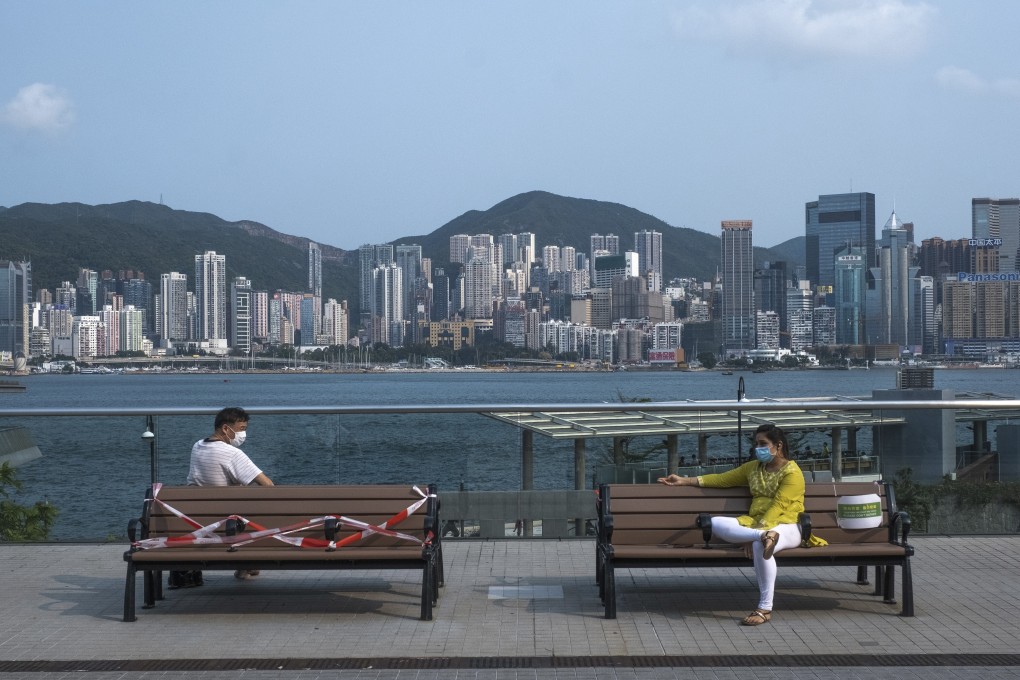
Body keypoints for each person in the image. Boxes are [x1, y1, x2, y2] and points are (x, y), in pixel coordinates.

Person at [657, 423, 826, 626]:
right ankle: (761, 538)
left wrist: (753, 533)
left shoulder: (792, 473)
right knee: (715, 522)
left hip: (789, 526)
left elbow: (778, 506)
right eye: (756, 444)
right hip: (757, 526)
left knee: (759, 545)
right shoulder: (753, 468)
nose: (758, 448)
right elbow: (721, 479)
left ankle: (765, 608)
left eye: (763, 444)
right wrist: (684, 481)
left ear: (778, 445)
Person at [170, 407, 274, 588]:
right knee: (257, 511)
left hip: (198, 518)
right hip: (226, 523)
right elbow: (268, 485)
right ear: (226, 429)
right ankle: (246, 564)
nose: (243, 434)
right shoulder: (232, 453)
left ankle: (247, 565)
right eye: (241, 429)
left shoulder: (197, 446)